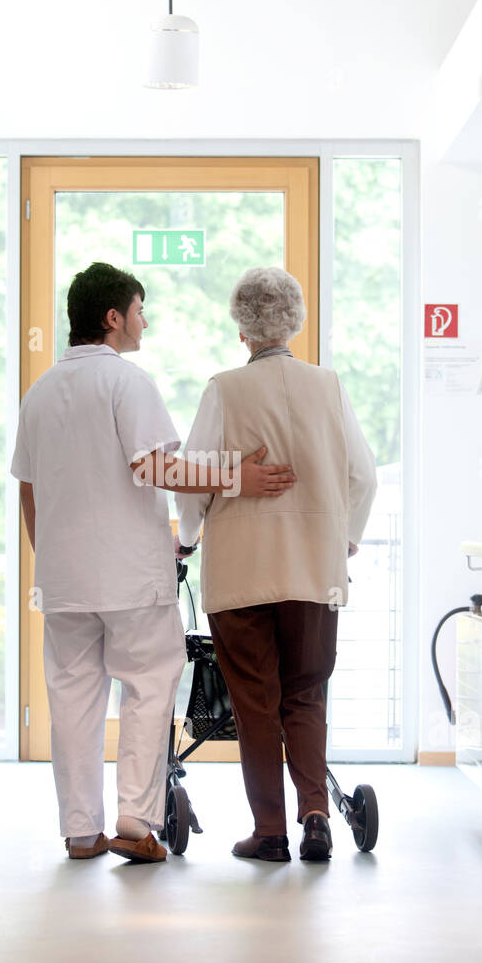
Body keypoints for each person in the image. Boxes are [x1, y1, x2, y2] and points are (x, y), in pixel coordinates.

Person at [10, 262, 296, 864]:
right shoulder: (126, 382)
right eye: (140, 311)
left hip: (63, 582)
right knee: (148, 686)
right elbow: (154, 468)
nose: (146, 321)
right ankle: (135, 822)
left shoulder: (37, 394)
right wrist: (235, 476)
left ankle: (80, 832)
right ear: (113, 318)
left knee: (72, 702)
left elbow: (28, 493)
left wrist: (57, 560)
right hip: (131, 578)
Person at [175, 266, 377, 862]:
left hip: (240, 574)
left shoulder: (223, 390)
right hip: (314, 572)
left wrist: (187, 537)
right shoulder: (329, 385)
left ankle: (270, 832)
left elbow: (191, 483)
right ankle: (316, 813)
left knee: (256, 703)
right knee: (306, 695)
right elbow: (362, 477)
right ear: (296, 321)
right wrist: (344, 538)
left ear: (242, 330)